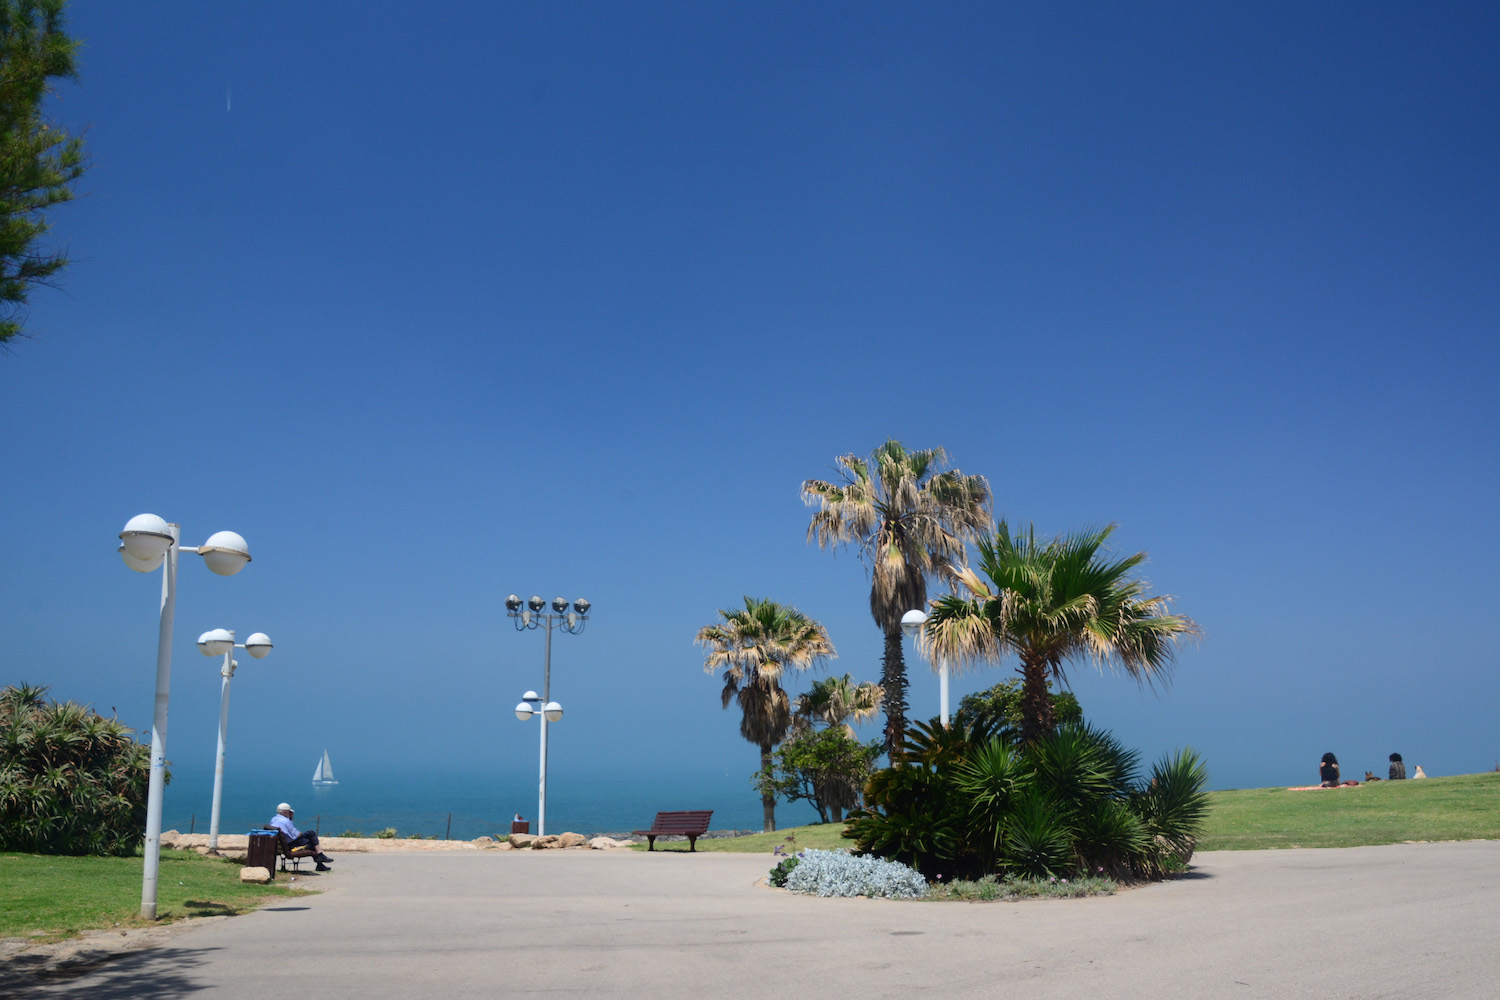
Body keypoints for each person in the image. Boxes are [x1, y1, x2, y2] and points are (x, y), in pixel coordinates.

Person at [269, 802, 334, 871]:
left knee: (311, 839)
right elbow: (297, 835)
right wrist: (291, 819)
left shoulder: (274, 819)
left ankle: (320, 862)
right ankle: (320, 856)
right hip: (291, 845)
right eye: (289, 812)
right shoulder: (286, 821)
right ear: (285, 812)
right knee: (312, 835)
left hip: (282, 845)